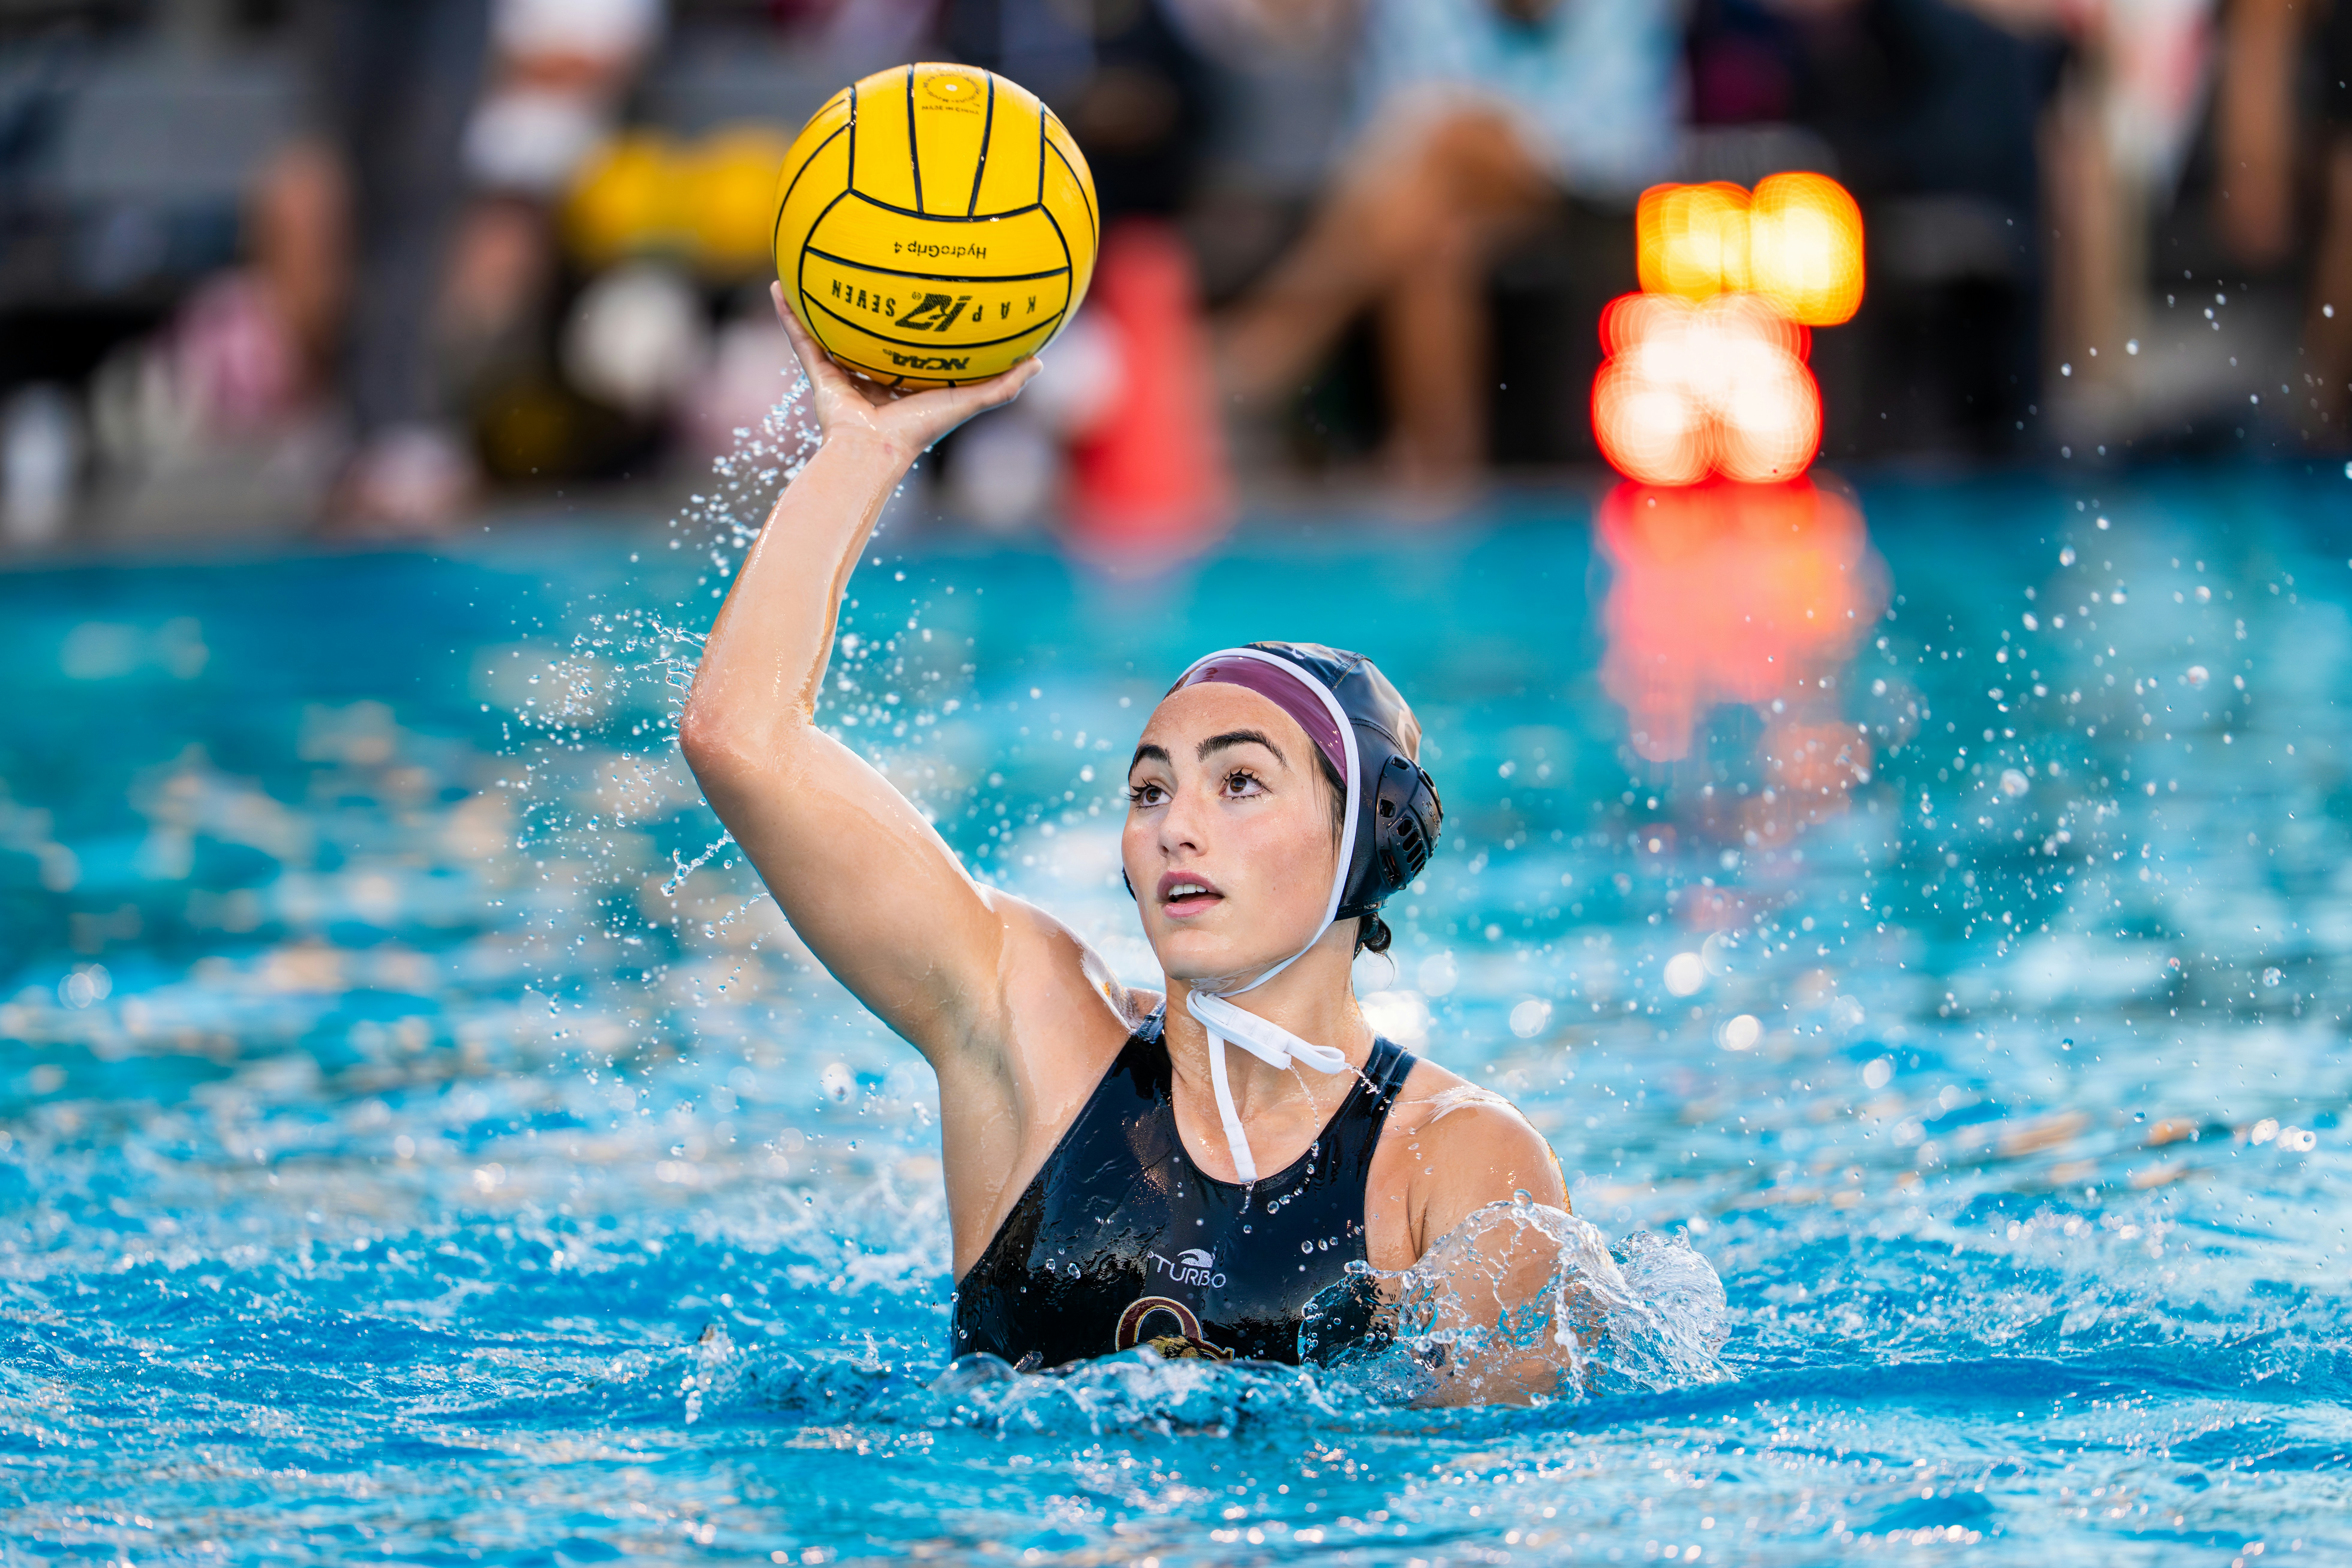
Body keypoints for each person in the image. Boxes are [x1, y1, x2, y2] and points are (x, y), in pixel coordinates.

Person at [679, 291, 1570, 1394]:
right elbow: (741, 739)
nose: (1174, 826)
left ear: (1368, 841)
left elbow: (1478, 1497)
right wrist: (864, 449)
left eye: (1239, 781)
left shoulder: (1459, 1162)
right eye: (1148, 791)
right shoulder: (1035, 1038)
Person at [1215, 0, 1681, 494]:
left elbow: (1619, 151)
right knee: (1436, 238)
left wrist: (1486, 132)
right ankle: (1440, 470)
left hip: (1589, 208)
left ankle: (1264, 355)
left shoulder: (1624, 11)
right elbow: (1384, 133)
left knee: (1446, 159)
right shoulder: (1420, 11)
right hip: (1448, 201)